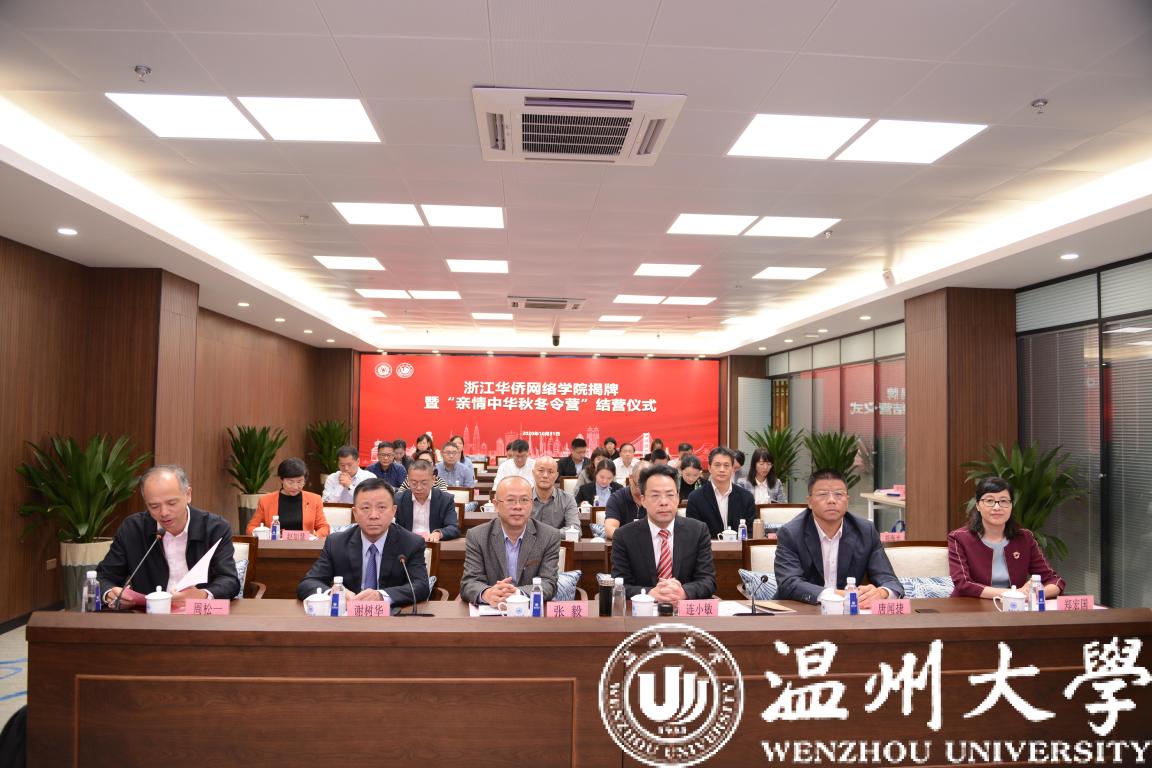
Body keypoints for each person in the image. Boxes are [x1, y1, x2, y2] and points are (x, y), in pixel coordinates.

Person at [98, 465, 239, 608]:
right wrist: (109, 593)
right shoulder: (133, 529)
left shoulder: (215, 528)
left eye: (171, 503)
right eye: (154, 506)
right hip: (149, 616)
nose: (164, 512)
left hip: (199, 615)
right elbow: (103, 577)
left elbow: (229, 580)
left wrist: (203, 595)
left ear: (188, 495)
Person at [774, 468, 903, 608]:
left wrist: (882, 593)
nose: (831, 500)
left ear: (847, 500)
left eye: (839, 494)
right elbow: (789, 583)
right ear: (809, 502)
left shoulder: (866, 531)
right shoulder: (791, 533)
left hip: (850, 614)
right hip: (803, 611)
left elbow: (890, 580)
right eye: (823, 494)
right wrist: (839, 595)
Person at [297, 478, 429, 606]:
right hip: (348, 616)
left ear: (393, 511)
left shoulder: (411, 543)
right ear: (355, 513)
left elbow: (421, 586)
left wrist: (382, 596)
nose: (373, 515)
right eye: (365, 508)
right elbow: (308, 584)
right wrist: (334, 594)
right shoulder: (336, 543)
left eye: (382, 507)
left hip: (392, 616)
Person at [948, 476, 1065, 599]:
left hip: (1013, 606)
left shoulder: (1024, 538)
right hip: (969, 605)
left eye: (1003, 501)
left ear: (1011, 505)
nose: (997, 507)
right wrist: (1014, 594)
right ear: (978, 505)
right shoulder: (959, 538)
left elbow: (1055, 581)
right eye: (989, 501)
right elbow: (963, 584)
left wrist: (1035, 594)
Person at [611, 465, 716, 602]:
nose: (664, 502)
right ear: (643, 500)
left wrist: (683, 592)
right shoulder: (624, 536)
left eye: (670, 495)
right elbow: (619, 584)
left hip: (683, 609)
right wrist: (650, 594)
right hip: (643, 611)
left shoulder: (698, 531)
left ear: (678, 498)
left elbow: (708, 580)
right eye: (655, 495)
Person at [460, 476, 562, 606]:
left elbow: (549, 584)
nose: (518, 506)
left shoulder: (549, 536)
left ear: (531, 504)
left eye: (524, 500)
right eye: (510, 500)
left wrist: (517, 594)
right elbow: (469, 583)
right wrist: (487, 593)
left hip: (530, 611)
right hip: (491, 611)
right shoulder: (477, 536)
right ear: (496, 505)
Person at [246, 457, 329, 537]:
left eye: (299, 482)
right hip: (276, 545)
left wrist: (315, 536)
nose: (295, 487)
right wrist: (264, 536)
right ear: (281, 480)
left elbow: (324, 527)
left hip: (305, 544)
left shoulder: (314, 499)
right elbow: (251, 528)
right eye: (290, 482)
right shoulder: (266, 501)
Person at [686, 447, 757, 537]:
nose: (722, 469)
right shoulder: (695, 498)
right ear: (709, 468)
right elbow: (693, 533)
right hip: (708, 546)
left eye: (726, 465)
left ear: (733, 469)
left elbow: (751, 532)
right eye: (717, 465)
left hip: (739, 546)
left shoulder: (746, 497)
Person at [394, 460, 458, 542]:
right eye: (414, 483)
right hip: (407, 544)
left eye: (424, 483)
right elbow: (390, 526)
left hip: (433, 543)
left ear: (433, 480)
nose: (419, 487)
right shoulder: (398, 500)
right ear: (408, 480)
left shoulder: (445, 500)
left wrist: (438, 533)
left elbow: (453, 528)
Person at [531, 456, 580, 531]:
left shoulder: (567, 499)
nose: (545, 475)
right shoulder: (523, 498)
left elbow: (575, 529)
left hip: (557, 539)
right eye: (541, 470)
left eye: (550, 472)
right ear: (533, 473)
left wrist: (551, 535)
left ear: (556, 476)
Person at [604, 461, 648, 540]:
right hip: (625, 544)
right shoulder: (617, 498)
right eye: (639, 485)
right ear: (631, 478)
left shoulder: (656, 498)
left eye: (647, 485)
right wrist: (631, 539)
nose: (643, 490)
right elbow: (609, 529)